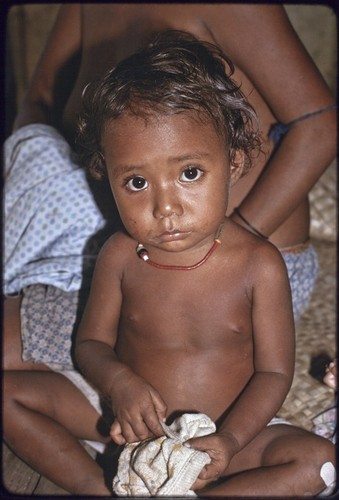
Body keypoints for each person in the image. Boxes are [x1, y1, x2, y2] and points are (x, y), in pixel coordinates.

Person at [3, 4, 336, 495]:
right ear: (105, 177)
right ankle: (99, 490)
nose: (165, 208)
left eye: (190, 174)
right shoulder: (120, 253)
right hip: (130, 427)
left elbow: (274, 372)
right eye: (136, 182)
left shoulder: (258, 264)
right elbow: (91, 344)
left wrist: (230, 440)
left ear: (235, 161)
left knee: (320, 464)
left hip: (226, 436)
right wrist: (118, 385)